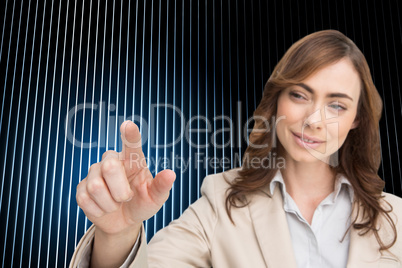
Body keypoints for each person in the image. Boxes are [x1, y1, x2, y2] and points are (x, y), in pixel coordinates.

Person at [70, 30, 402, 268]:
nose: (313, 121)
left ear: (358, 118)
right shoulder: (220, 202)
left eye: (337, 106)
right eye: (299, 95)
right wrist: (118, 234)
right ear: (277, 102)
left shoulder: (396, 218)